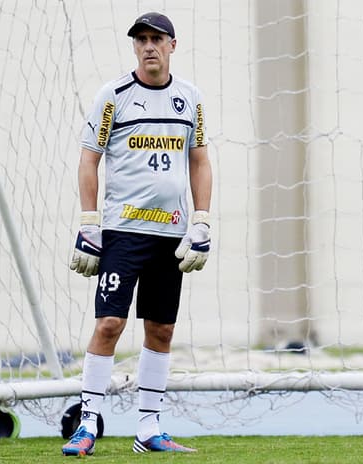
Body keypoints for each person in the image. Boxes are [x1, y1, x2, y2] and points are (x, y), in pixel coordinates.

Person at [63, 12, 212, 456]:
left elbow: (199, 160)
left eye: (157, 39)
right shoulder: (113, 97)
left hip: (171, 234)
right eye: (141, 39)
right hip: (123, 232)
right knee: (109, 324)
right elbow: (89, 157)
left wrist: (202, 219)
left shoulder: (190, 98)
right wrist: (90, 221)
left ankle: (149, 429)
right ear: (134, 47)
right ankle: (87, 423)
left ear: (172, 45)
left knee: (161, 330)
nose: (149, 46)